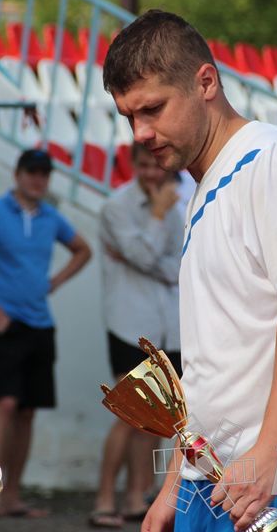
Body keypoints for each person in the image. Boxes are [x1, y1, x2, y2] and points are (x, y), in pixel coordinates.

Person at [103, 9, 277, 532]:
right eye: (128, 116)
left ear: (205, 82)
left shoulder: (276, 160)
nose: (140, 132)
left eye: (153, 109)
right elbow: (216, 360)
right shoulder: (210, 184)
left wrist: (272, 452)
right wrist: (176, 483)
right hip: (220, 477)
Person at [0, 148, 92, 517]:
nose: (38, 179)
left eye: (44, 173)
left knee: (28, 411)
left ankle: (12, 495)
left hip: (40, 325)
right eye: (32, 171)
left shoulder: (51, 216)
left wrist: (54, 282)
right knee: (5, 405)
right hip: (5, 326)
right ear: (17, 174)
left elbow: (83, 250)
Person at [91, 142, 184, 528]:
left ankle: (134, 497)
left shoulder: (178, 206)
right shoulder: (116, 207)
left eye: (155, 165)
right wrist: (157, 218)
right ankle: (104, 499)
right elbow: (146, 257)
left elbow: (179, 267)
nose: (151, 173)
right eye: (143, 165)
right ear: (132, 164)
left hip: (169, 328)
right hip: (129, 325)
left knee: (158, 420)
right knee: (129, 417)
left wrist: (147, 258)